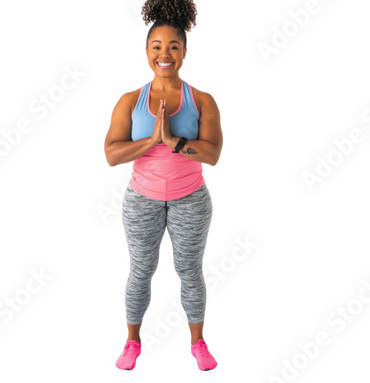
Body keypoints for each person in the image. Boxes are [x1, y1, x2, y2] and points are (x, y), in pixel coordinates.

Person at [104, 0, 223, 371]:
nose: (165, 54)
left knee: (190, 271)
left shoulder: (201, 100)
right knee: (141, 269)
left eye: (173, 46)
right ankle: (132, 343)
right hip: (142, 200)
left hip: (191, 200)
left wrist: (173, 142)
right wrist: (152, 140)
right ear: (146, 52)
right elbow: (111, 153)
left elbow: (213, 153)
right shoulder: (130, 101)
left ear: (185, 52)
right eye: (157, 46)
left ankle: (198, 343)